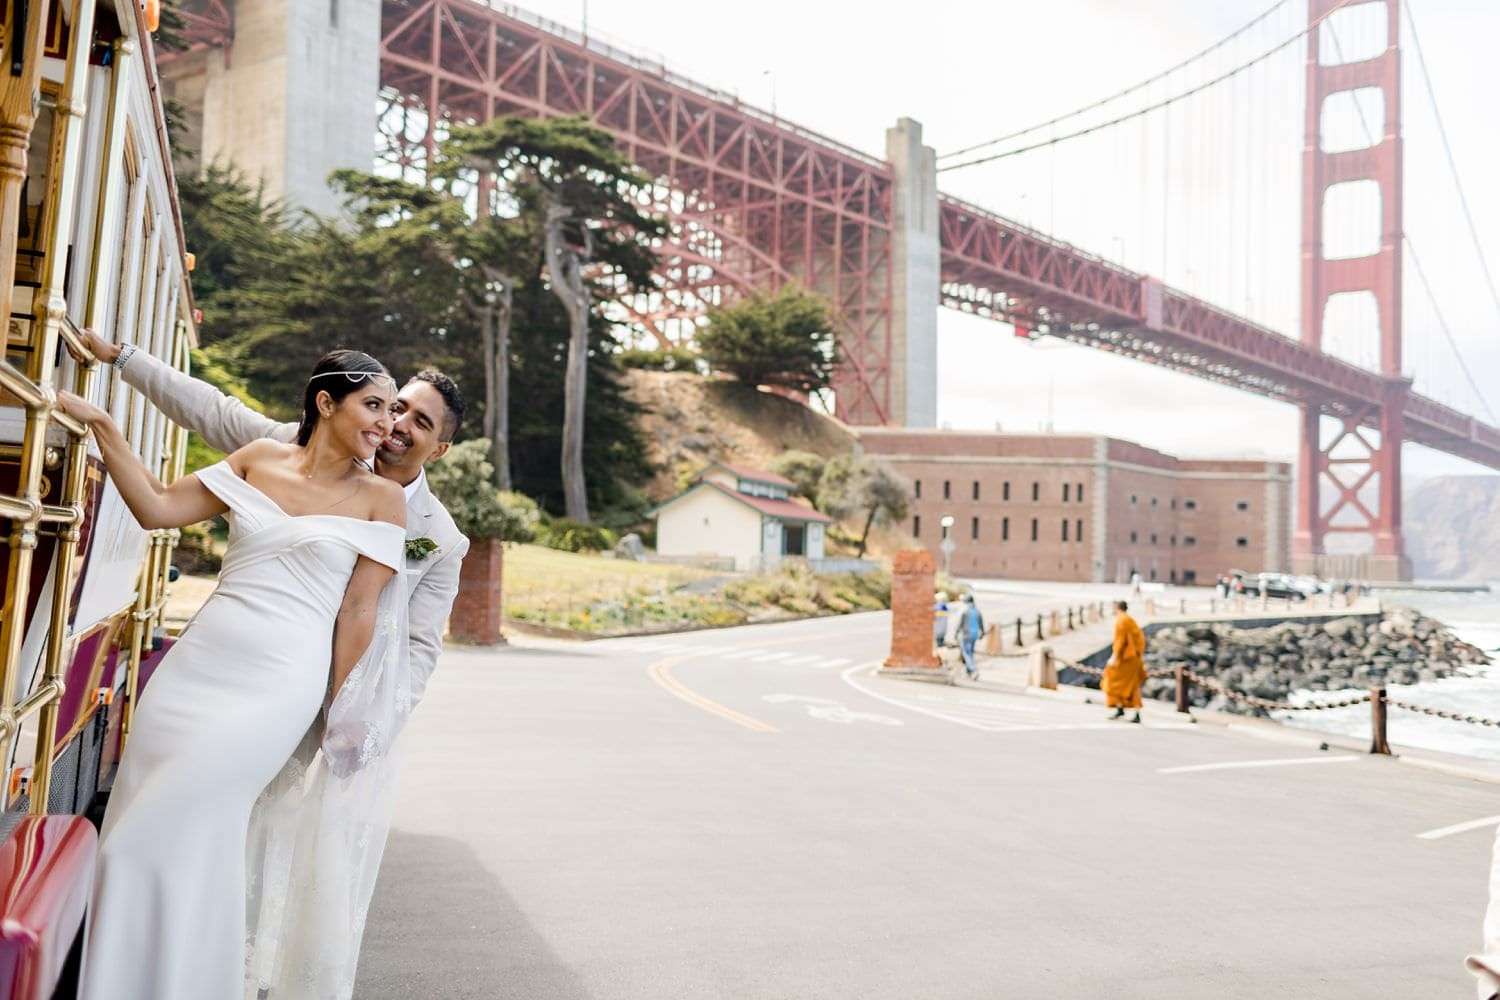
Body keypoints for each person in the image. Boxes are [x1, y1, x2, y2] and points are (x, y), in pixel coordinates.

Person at [68, 351, 409, 1000]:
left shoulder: (383, 500)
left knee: (157, 833)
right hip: (194, 674)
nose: (387, 422)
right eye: (375, 404)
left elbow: (359, 613)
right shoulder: (256, 457)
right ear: (326, 403)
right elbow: (158, 508)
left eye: (393, 409)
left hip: (278, 688)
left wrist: (335, 714)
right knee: (146, 824)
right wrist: (104, 428)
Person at [73, 330, 468, 707]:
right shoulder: (298, 448)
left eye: (422, 422)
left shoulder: (441, 540)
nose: (397, 423)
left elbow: (418, 648)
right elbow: (214, 412)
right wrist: (122, 357)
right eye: (398, 407)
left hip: (321, 688)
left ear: (439, 450)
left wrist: (367, 723)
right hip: (225, 656)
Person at [1103, 600, 1146, 723]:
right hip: (1133, 658)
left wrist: (1114, 656)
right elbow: (1139, 639)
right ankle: (1120, 707)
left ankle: (1123, 708)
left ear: (1117, 607)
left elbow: (1120, 641)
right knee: (1130, 685)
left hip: (1126, 659)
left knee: (1112, 681)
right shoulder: (1129, 619)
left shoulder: (1121, 620)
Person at [958, 592, 985, 680]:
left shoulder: (965, 610)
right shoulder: (977, 611)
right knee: (970, 653)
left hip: (966, 634)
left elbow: (960, 624)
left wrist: (956, 633)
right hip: (974, 634)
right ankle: (969, 671)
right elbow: (981, 624)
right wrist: (982, 633)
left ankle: (973, 670)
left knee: (966, 653)